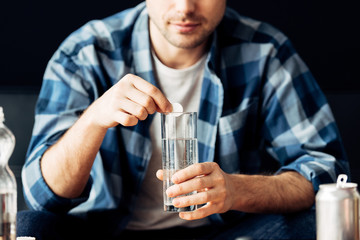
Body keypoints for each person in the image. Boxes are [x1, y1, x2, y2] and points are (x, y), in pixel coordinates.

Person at [18, 0, 349, 239]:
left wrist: (237, 189)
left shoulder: (264, 51)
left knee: (319, 220)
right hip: (104, 231)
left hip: (227, 232)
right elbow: (41, 195)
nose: (185, 7)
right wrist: (92, 121)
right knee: (29, 226)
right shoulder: (86, 53)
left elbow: (324, 171)